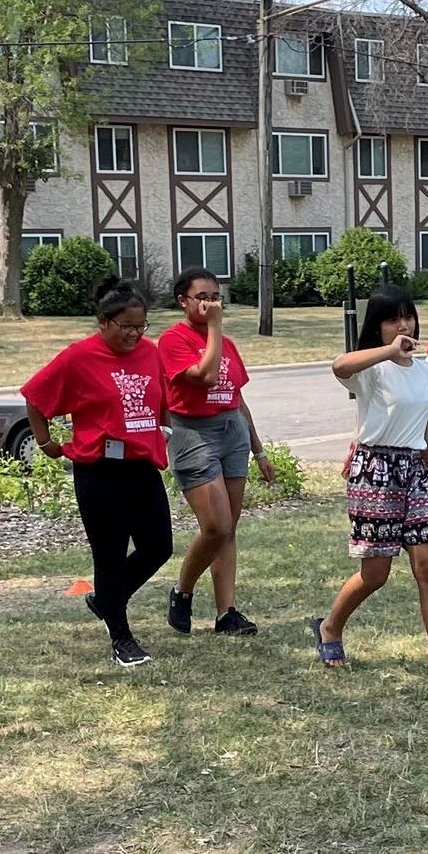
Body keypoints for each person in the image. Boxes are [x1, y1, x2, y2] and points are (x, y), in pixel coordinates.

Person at [310, 285, 428, 679]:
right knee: (375, 573)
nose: (404, 325)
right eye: (393, 318)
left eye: (408, 316)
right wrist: (389, 351)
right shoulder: (371, 370)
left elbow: (423, 428)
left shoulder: (423, 371)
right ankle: (330, 626)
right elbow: (338, 365)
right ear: (377, 327)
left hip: (413, 471)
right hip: (375, 470)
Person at [21, 278, 175, 667]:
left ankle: (105, 599)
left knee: (159, 547)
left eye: (141, 326)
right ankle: (122, 639)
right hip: (99, 470)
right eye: (126, 326)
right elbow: (36, 397)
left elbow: (162, 397)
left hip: (142, 465)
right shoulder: (79, 357)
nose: (135, 334)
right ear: (103, 322)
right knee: (109, 557)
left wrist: (165, 430)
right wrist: (45, 443)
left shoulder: (150, 353)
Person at [156, 266, 275, 637]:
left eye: (215, 296)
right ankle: (183, 590)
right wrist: (214, 328)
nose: (210, 303)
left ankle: (227, 614)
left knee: (229, 528)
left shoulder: (226, 343)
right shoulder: (172, 341)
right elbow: (206, 376)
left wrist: (258, 450)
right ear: (182, 302)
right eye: (202, 297)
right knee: (216, 525)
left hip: (231, 431)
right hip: (193, 432)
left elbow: (236, 397)